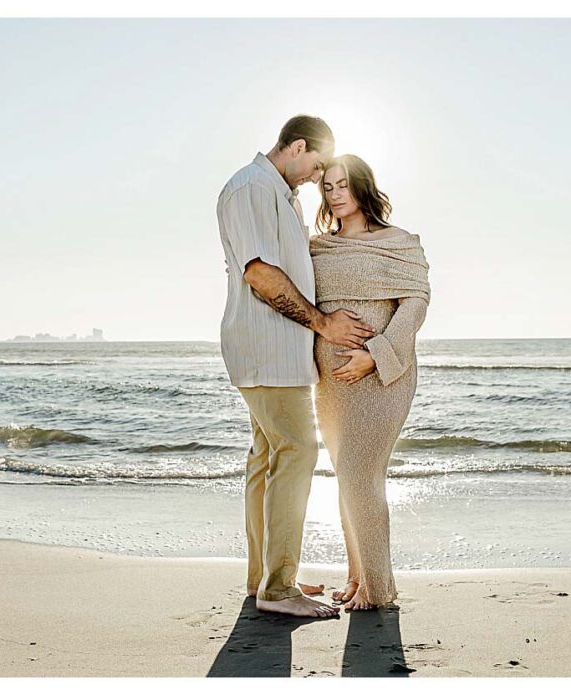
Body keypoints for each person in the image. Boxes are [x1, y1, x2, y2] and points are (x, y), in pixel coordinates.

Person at [216, 116, 377, 619]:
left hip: (280, 352)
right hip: (266, 349)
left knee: (267, 459)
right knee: (299, 450)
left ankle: (263, 578)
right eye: (315, 166)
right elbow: (261, 274)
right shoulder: (251, 188)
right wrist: (324, 324)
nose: (316, 178)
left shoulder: (279, 194)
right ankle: (279, 589)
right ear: (298, 146)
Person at [309, 154, 431, 611]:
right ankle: (357, 577)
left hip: (385, 377)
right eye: (328, 188)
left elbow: (415, 305)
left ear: (362, 188)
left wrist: (375, 356)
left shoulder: (399, 242)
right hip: (332, 382)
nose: (335, 194)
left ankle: (379, 588)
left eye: (343, 185)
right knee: (347, 477)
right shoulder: (318, 248)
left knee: (361, 474)